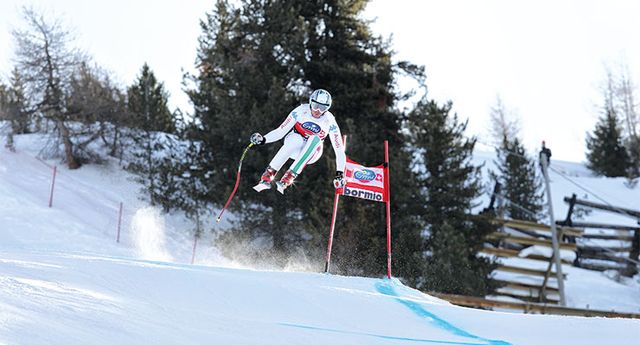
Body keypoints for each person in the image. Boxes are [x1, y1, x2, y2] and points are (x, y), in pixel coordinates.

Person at [249, 89, 347, 194]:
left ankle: (289, 177)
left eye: (323, 108)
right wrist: (263, 139)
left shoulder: (330, 121)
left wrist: (339, 174)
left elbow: (339, 150)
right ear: (310, 102)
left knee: (315, 139)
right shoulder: (300, 111)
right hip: (294, 147)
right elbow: (280, 131)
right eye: (315, 105)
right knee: (295, 138)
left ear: (327, 108)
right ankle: (268, 175)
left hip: (313, 153)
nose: (318, 110)